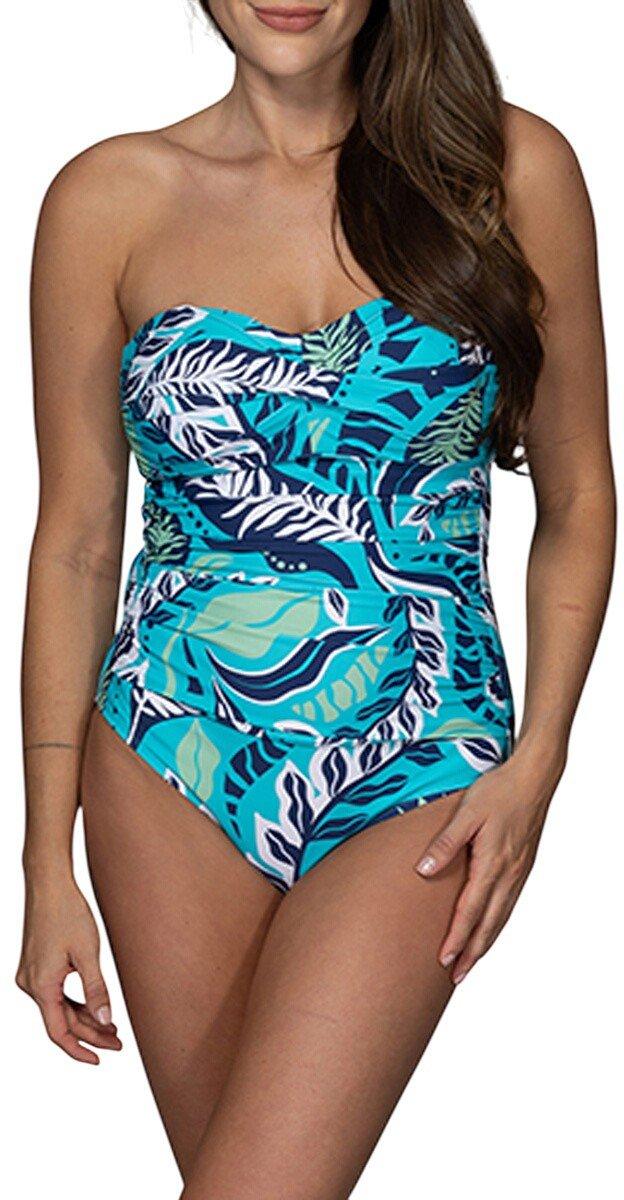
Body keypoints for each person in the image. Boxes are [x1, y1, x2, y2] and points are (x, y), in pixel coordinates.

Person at [16, 2, 615, 1197]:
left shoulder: (509, 171)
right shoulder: (105, 198)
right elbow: (75, 542)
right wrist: (43, 861)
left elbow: (582, 497)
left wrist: (540, 762)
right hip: (167, 748)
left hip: (425, 749)